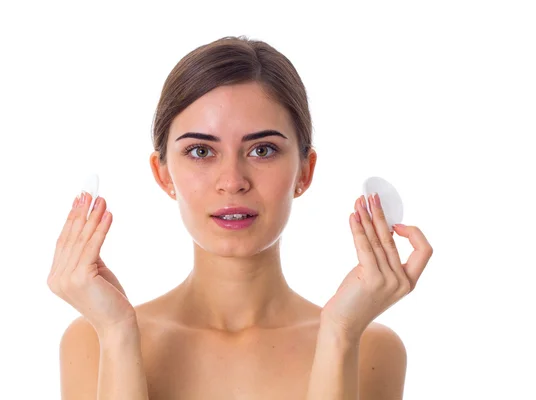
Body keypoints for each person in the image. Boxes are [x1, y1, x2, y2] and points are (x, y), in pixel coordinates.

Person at [47, 36, 433, 400]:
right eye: (201, 151)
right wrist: (117, 334)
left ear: (305, 171)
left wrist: (341, 334)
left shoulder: (370, 345)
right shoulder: (93, 339)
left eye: (262, 150)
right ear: (163, 174)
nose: (232, 182)